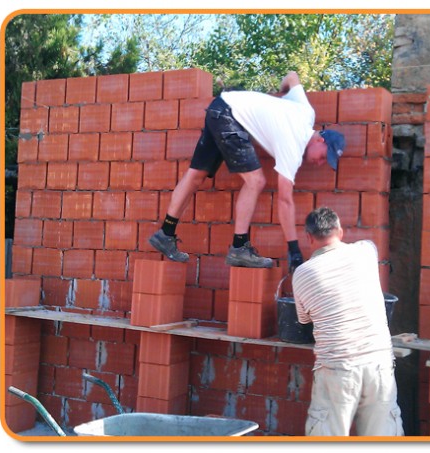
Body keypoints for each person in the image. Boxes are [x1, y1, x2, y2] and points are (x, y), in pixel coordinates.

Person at [149, 71, 346, 271]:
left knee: (196, 175)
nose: (320, 162)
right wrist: (294, 250)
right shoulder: (294, 145)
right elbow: (285, 200)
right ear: (320, 139)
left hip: (220, 106)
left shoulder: (306, 112)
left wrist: (278, 97)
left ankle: (165, 233)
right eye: (323, 156)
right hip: (230, 118)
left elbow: (291, 77)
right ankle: (239, 247)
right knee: (256, 181)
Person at [292, 207, 404, 437]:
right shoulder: (366, 251)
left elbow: (304, 319)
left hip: (337, 368)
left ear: (309, 238)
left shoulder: (302, 273)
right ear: (340, 232)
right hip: (379, 363)